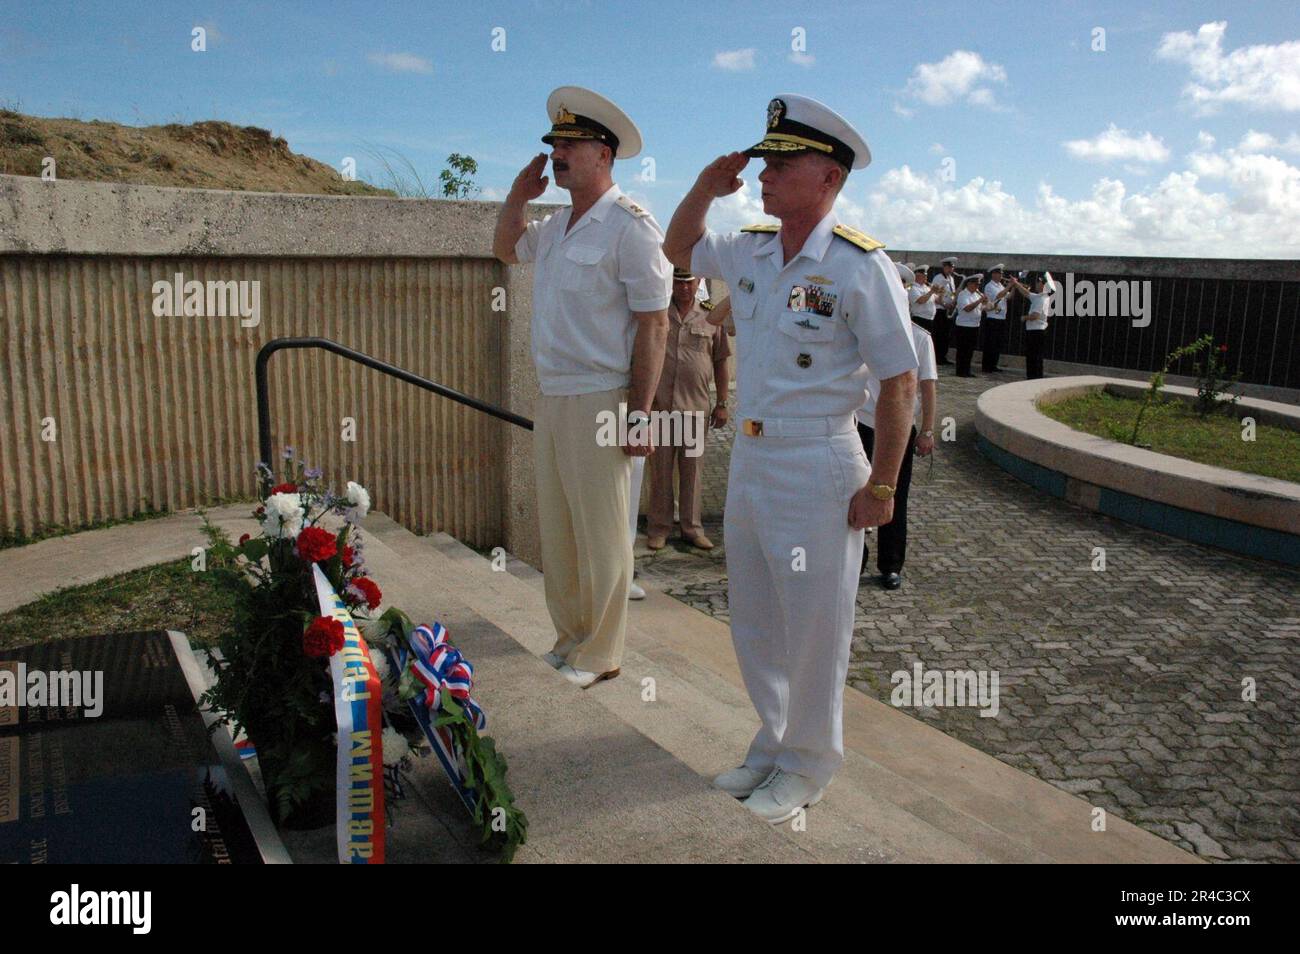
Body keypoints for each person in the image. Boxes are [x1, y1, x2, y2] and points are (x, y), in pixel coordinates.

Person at [663, 93, 918, 824]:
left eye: (783, 162)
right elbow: (675, 248)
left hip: (819, 461)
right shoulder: (748, 247)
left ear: (829, 178)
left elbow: (899, 382)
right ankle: (773, 742)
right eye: (765, 160)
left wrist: (885, 483)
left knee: (813, 625)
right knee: (756, 618)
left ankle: (809, 765)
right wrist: (705, 190)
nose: (766, 174)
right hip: (750, 456)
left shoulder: (862, 267)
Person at [492, 86, 671, 688]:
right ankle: (569, 638)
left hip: (604, 393)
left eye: (571, 143)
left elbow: (654, 325)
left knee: (602, 529)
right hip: (554, 391)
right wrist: (519, 196)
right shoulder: (556, 225)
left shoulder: (632, 227)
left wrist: (641, 414)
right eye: (555, 144)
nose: (559, 153)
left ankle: (602, 652)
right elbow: (504, 250)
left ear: (605, 154)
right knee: (561, 526)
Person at [857, 262, 938, 589]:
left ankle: (890, 563)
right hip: (862, 422)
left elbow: (928, 386)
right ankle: (855, 559)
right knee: (856, 490)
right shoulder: (862, 333)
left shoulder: (920, 339)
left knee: (894, 494)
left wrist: (929, 429)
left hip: (899, 429)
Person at [646, 267, 732, 551]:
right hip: (661, 407)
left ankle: (692, 528)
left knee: (693, 472)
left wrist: (722, 402)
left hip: (696, 408)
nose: (684, 288)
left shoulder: (711, 316)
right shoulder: (658, 313)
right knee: (660, 473)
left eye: (689, 283)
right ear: (671, 282)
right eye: (678, 282)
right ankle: (659, 528)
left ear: (699, 283)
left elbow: (721, 361)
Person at [980, 264, 1016, 373]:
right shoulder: (989, 286)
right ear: (994, 274)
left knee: (997, 343)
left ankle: (993, 365)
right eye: (999, 274)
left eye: (1001, 274)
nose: (1001, 276)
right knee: (990, 343)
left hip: (1001, 317)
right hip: (992, 317)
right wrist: (1009, 285)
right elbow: (999, 296)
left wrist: (1014, 287)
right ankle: (987, 366)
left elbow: (1008, 296)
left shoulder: (1001, 285)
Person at [1021, 271, 1056, 380]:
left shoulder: (1041, 299)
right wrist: (1015, 283)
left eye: (1038, 282)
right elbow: (1026, 293)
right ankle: (1035, 376)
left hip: (1036, 331)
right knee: (1036, 355)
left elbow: (1035, 315)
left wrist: (1024, 317)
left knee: (1033, 356)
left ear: (1042, 285)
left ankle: (1033, 377)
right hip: (1036, 330)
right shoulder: (1041, 296)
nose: (1036, 284)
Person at [953, 272, 986, 377]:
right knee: (962, 350)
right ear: (969, 284)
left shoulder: (976, 295)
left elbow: (980, 308)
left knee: (970, 350)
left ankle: (967, 370)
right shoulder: (963, 294)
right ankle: (960, 371)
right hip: (964, 326)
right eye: (976, 284)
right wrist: (980, 300)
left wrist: (990, 306)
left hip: (974, 325)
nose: (977, 287)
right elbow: (967, 308)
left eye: (978, 285)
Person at [931, 257, 958, 365]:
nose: (952, 269)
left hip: (948, 309)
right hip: (940, 309)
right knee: (939, 334)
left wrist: (952, 302)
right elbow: (935, 295)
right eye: (950, 267)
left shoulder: (951, 278)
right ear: (945, 267)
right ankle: (937, 357)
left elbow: (951, 293)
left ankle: (943, 356)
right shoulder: (938, 278)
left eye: (952, 267)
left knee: (946, 335)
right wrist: (945, 304)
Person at [907, 263, 941, 335]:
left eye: (926, 275)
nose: (926, 277)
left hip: (930, 319)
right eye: (924, 275)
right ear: (917, 276)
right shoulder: (913, 288)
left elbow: (938, 301)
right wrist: (932, 291)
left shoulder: (927, 287)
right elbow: (921, 301)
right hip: (920, 318)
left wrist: (941, 294)